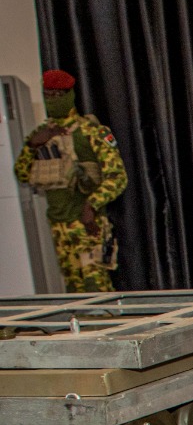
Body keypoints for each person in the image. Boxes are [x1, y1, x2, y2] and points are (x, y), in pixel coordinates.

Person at [12, 69, 126, 292]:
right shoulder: (40, 134)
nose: (52, 100)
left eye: (58, 95)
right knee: (75, 290)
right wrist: (32, 146)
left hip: (87, 224)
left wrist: (91, 205)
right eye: (48, 95)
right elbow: (22, 175)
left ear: (69, 95)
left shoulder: (90, 131)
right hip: (59, 224)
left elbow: (118, 177)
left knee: (96, 287)